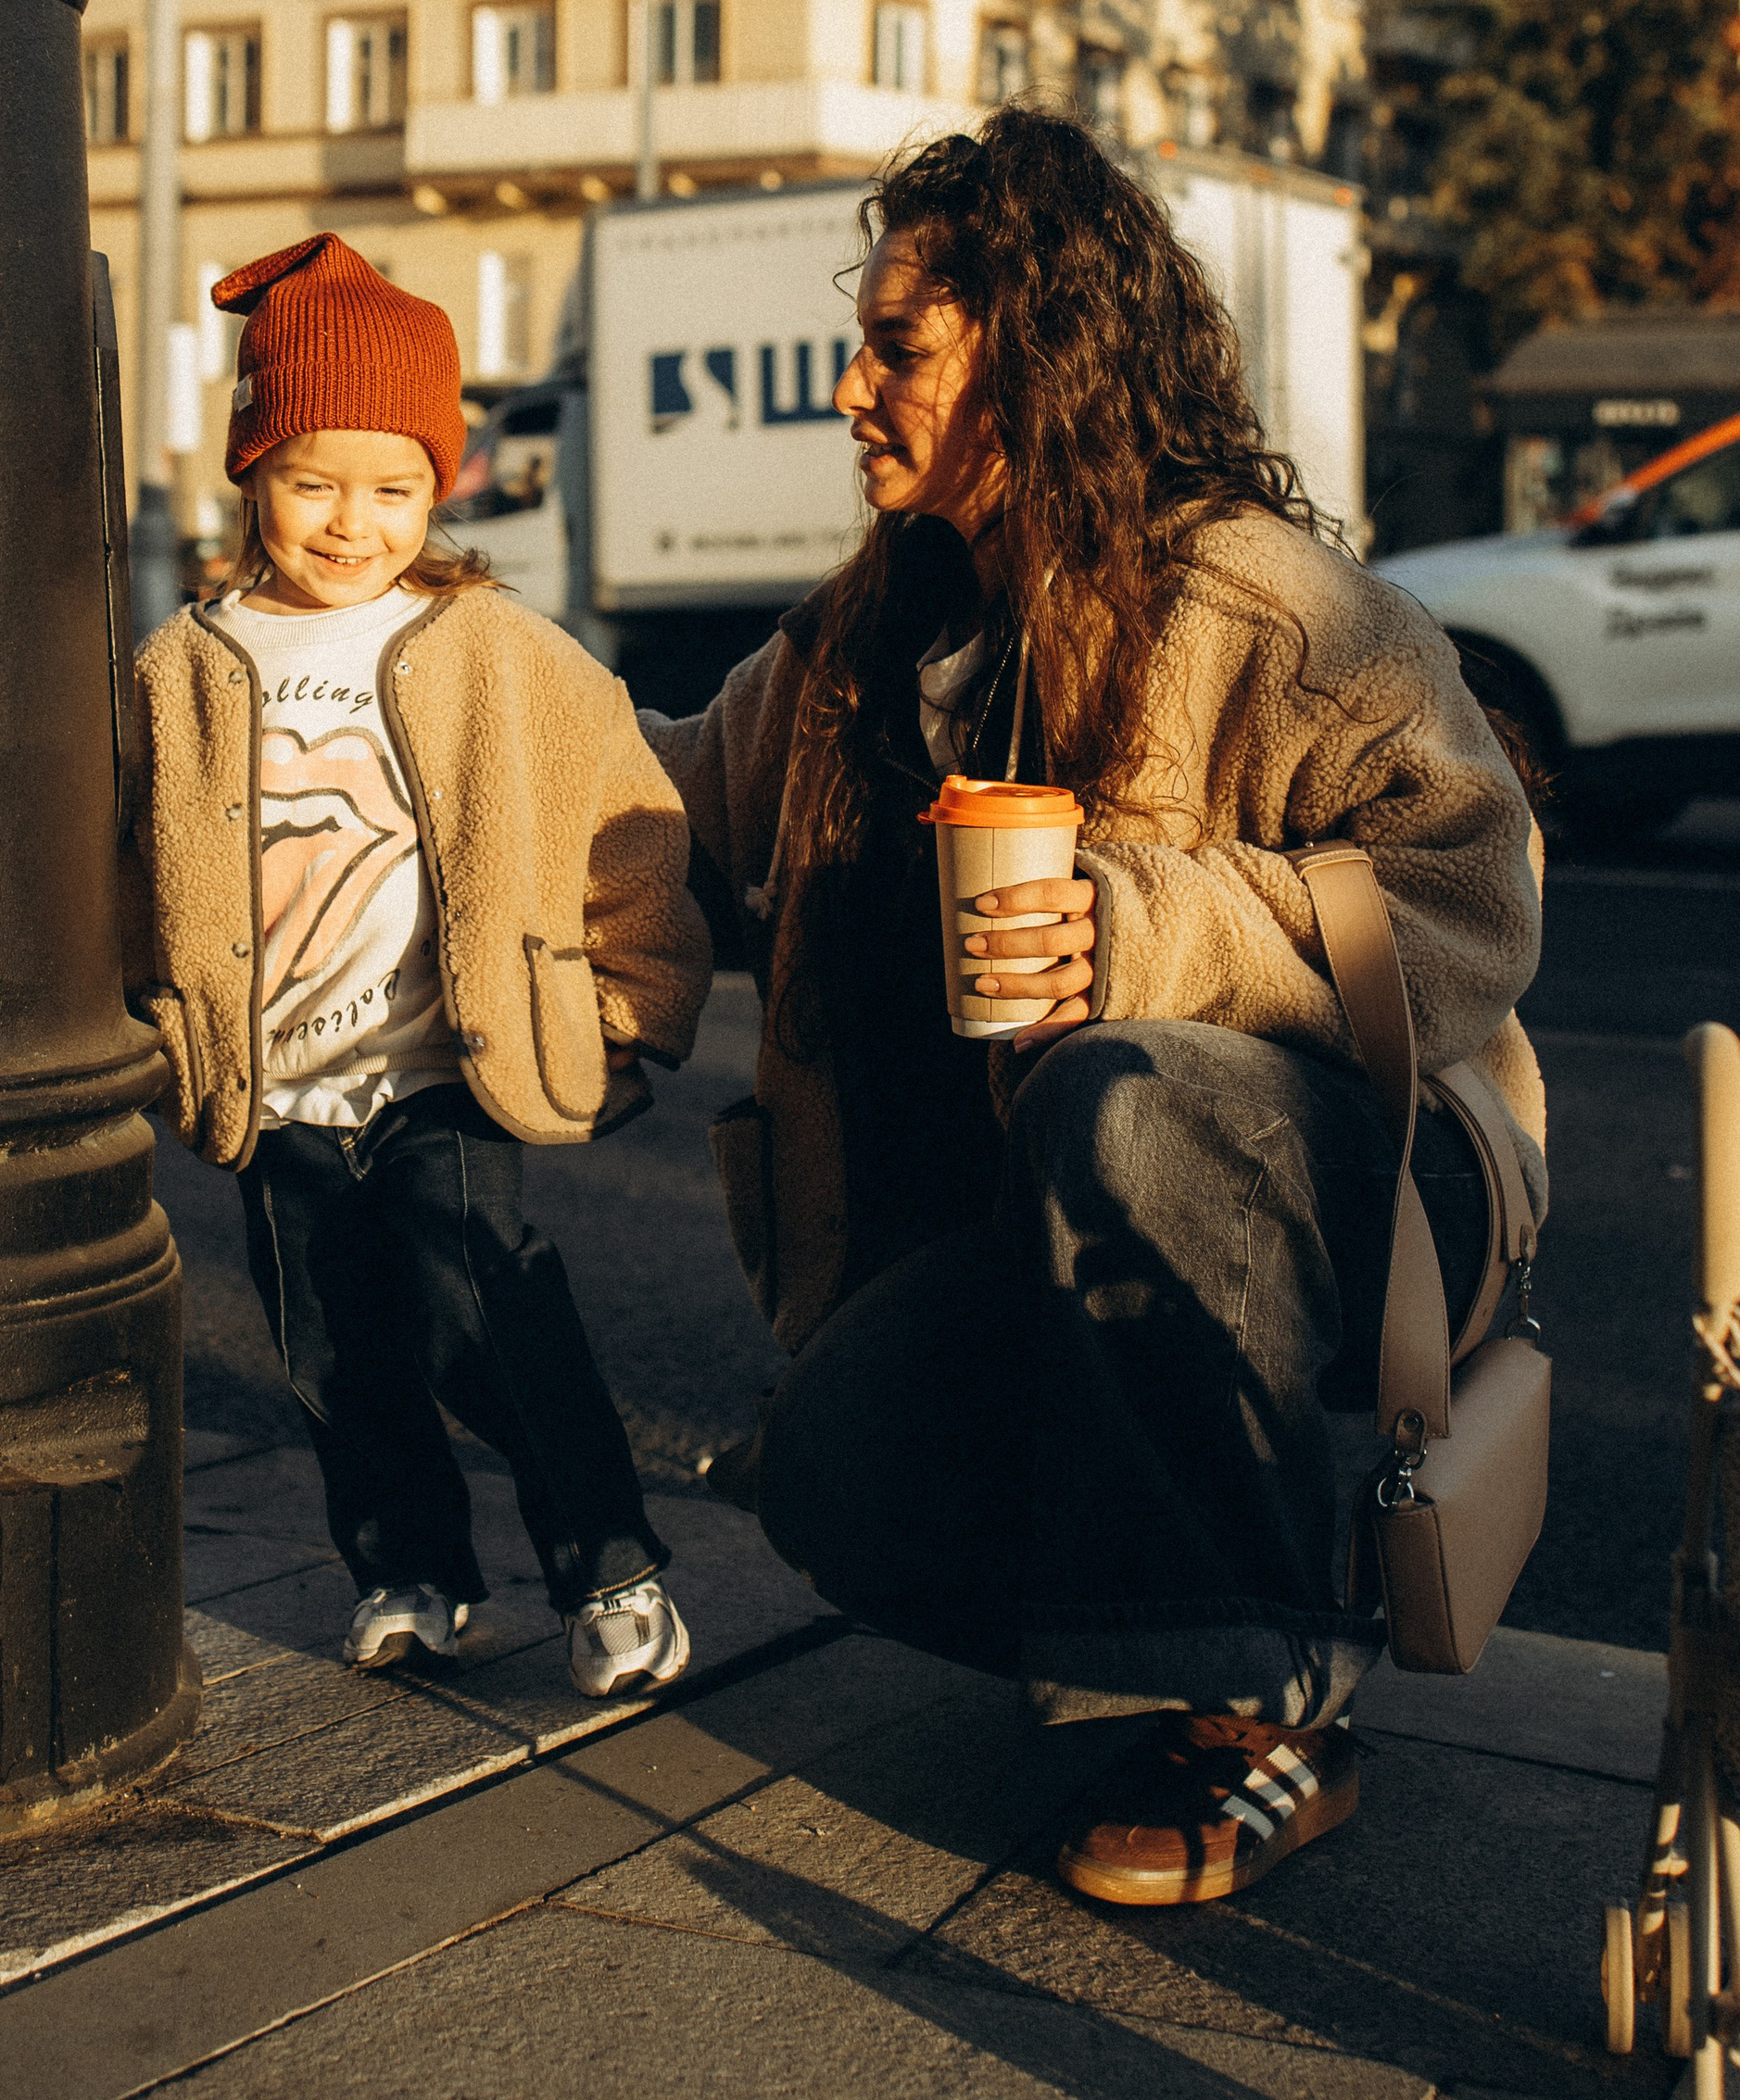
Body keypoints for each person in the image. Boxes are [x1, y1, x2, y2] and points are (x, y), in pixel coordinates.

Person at [647, 110, 1545, 1907]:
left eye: (898, 345)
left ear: (1037, 355)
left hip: (1344, 1181)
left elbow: (1473, 885)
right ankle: (1146, 1613)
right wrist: (403, 676)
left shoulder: (1251, 598)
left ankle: (1250, 1701)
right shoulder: (860, 644)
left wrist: (1156, 927)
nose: (848, 385)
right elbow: (662, 792)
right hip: (1050, 1229)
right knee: (831, 1472)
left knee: (1123, 1088)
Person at [124, 233, 712, 1699]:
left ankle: (612, 1566)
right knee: (334, 1349)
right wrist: (147, 1013)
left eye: (392, 487)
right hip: (279, 1084)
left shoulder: (483, 641)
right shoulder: (186, 661)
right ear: (253, 469)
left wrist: (636, 994)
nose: (350, 522)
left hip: (442, 1065)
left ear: (437, 485)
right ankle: (411, 1570)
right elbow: (126, 853)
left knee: (482, 1310)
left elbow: (619, 798)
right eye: (313, 481)